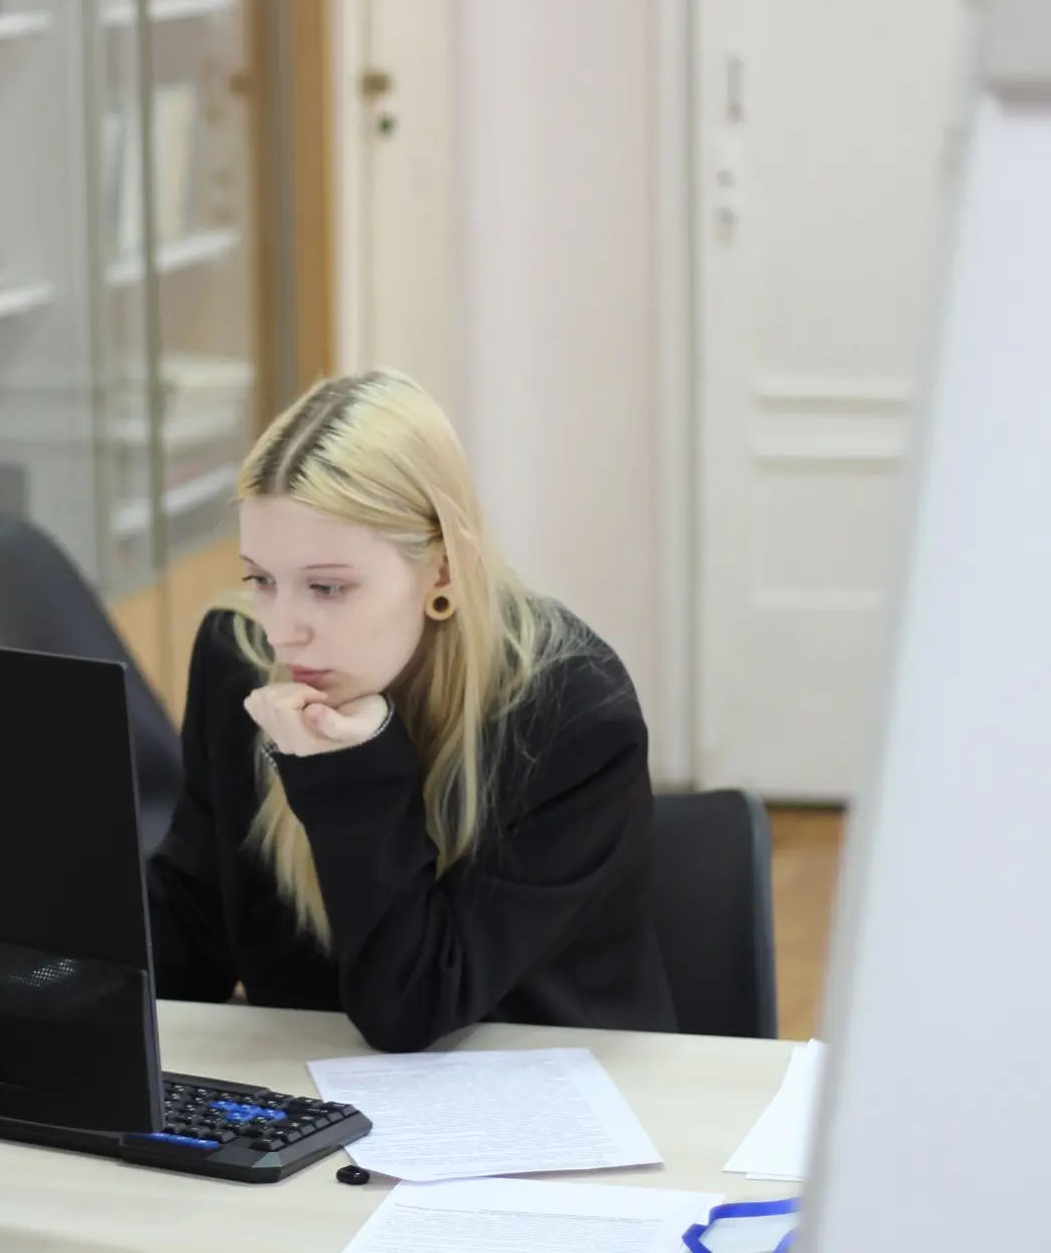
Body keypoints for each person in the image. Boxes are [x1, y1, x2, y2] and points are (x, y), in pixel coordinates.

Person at [146, 369, 676, 1053]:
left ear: (444, 571)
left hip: (529, 1085)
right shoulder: (238, 657)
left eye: (327, 588)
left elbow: (413, 1006)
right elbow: (193, 931)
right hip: (311, 1083)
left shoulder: (570, 718)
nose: (282, 631)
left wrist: (351, 772)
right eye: (263, 579)